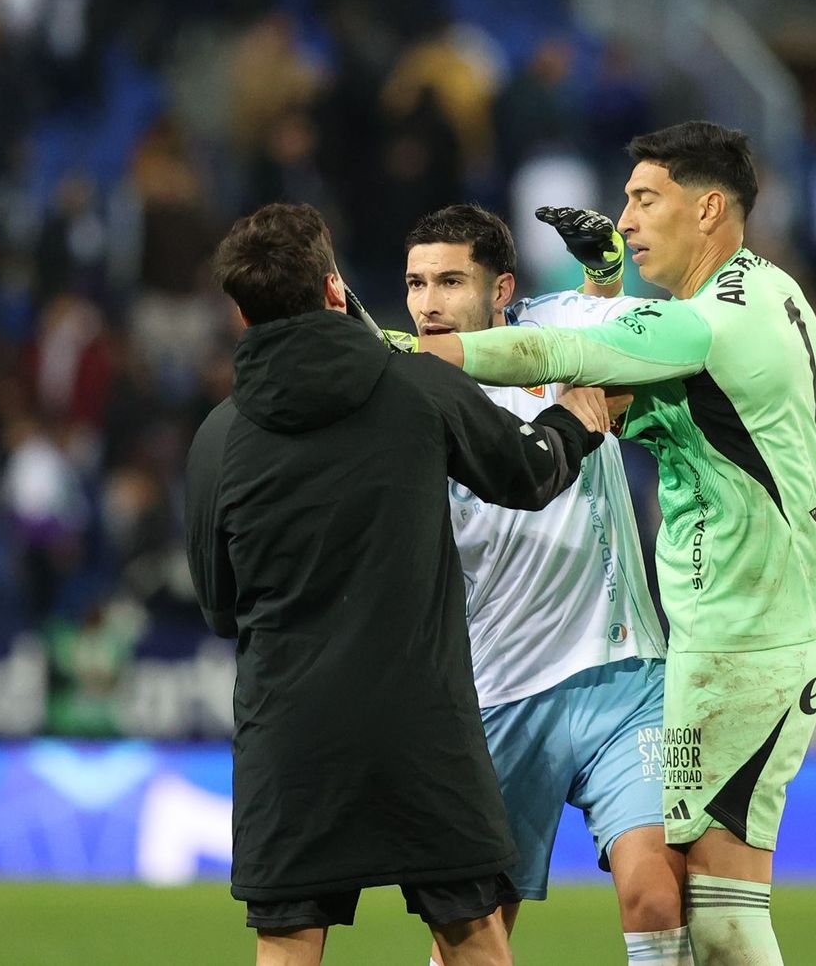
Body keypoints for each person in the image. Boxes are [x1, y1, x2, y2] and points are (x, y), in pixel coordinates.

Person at [422, 121, 816, 965]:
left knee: (712, 910)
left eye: (645, 200)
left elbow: (561, 344)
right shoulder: (773, 291)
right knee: (700, 908)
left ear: (711, 208)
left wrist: (414, 353)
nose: (625, 218)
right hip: (684, 644)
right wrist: (603, 289)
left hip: (742, 640)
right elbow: (646, 380)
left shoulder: (705, 323)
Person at [184, 203, 613, 966]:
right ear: (333, 289)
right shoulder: (415, 386)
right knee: (474, 937)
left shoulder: (219, 437)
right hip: (421, 725)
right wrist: (574, 422)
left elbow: (220, 607)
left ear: (243, 312)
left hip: (290, 731)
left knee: (287, 945)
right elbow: (528, 472)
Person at [403, 203, 690, 966]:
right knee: (474, 937)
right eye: (416, 282)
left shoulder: (555, 326)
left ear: (502, 291)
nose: (429, 301)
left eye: (450, 280)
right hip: (495, 694)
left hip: (624, 674)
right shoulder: (405, 393)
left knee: (659, 892)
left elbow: (634, 325)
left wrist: (602, 271)